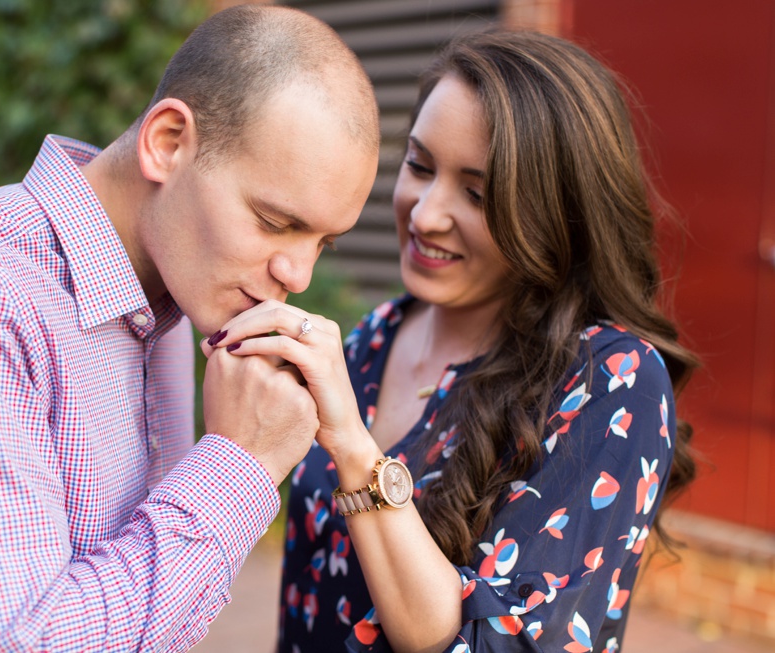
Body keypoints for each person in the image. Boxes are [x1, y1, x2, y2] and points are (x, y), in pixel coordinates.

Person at [0, 5, 379, 650]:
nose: (296, 273)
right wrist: (238, 465)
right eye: (274, 222)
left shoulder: (167, 309)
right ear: (167, 142)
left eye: (323, 242)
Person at [204, 29, 697, 652]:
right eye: (419, 165)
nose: (425, 212)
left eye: (477, 193)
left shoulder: (611, 380)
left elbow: (499, 643)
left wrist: (356, 452)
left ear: (554, 213)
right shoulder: (374, 337)